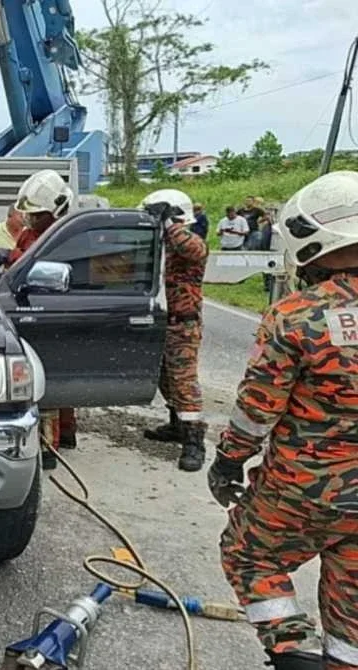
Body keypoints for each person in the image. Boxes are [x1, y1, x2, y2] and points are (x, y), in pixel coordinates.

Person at [210, 171, 358, 670]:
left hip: (303, 489)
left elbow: (256, 411)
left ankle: (292, 652)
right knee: (353, 612)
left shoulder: (297, 315)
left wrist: (228, 463)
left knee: (249, 555)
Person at [4, 170, 75, 469]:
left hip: (54, 309)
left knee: (47, 379)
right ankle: (66, 434)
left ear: (55, 209)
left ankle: (49, 447)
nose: (31, 219)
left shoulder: (65, 235)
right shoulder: (32, 233)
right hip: (32, 307)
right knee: (54, 376)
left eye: (37, 214)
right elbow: (15, 264)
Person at [139, 189, 210, 471]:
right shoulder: (164, 246)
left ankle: (195, 441)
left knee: (183, 381)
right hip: (163, 319)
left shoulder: (191, 243)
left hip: (184, 322)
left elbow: (193, 248)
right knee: (165, 379)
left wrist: (170, 222)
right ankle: (176, 425)